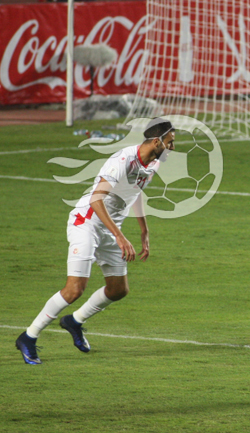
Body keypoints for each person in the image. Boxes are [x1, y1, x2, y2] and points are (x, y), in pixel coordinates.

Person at [15, 118, 175, 365]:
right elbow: (96, 200)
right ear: (157, 142)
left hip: (110, 229)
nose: (172, 148)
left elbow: (137, 190)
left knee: (118, 289)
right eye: (170, 142)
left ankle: (74, 321)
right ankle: (29, 337)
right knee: (74, 289)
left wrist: (144, 230)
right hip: (87, 223)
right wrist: (121, 237)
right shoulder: (123, 160)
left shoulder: (153, 162)